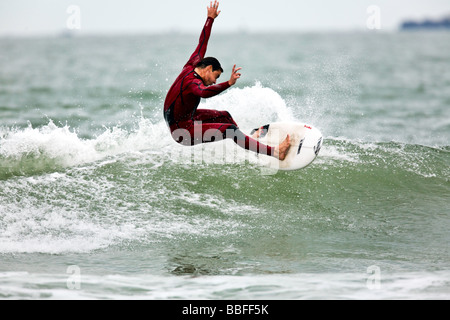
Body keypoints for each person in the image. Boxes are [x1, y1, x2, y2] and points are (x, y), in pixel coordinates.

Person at [164, 1, 290, 160]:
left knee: (225, 115)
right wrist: (228, 83)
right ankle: (276, 153)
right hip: (182, 132)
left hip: (184, 120)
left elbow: (202, 42)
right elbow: (203, 92)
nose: (214, 82)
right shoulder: (193, 83)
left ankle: (250, 142)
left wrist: (210, 19)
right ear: (208, 68)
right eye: (215, 77)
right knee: (229, 130)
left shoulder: (191, 65)